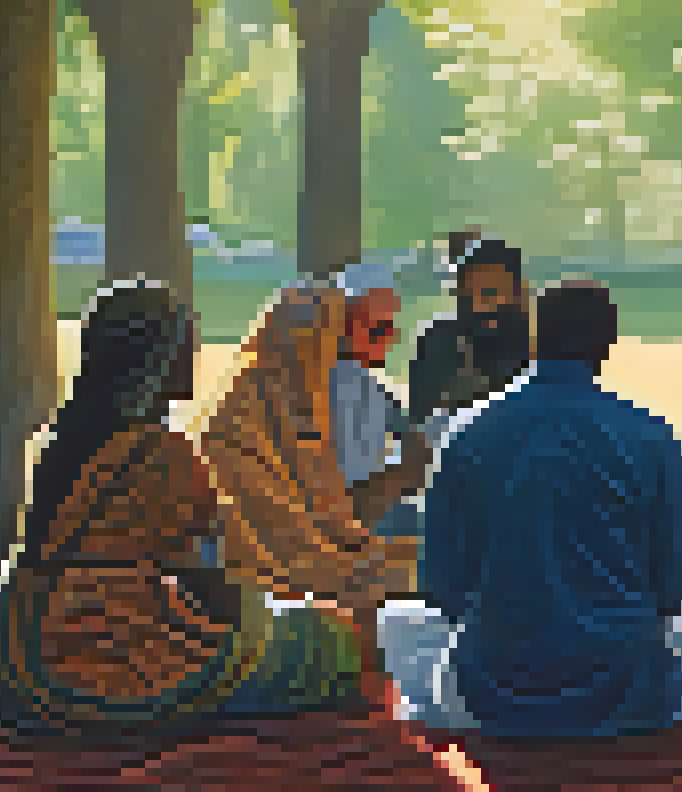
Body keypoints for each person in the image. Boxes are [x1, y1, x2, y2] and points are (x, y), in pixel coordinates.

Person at [0, 281, 365, 739]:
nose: (195, 358)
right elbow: (203, 580)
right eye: (187, 346)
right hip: (112, 658)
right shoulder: (165, 453)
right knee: (330, 642)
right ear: (157, 362)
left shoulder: (51, 443)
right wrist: (265, 620)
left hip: (15, 655)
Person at [378, 280, 682, 737]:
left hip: (483, 698)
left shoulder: (466, 433)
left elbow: (441, 592)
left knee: (396, 619)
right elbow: (674, 591)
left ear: (532, 341)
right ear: (609, 344)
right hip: (633, 696)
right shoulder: (652, 435)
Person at [198, 282, 416, 647]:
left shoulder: (304, 400)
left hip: (310, 557)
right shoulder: (239, 417)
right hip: (263, 578)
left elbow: (329, 510)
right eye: (333, 335)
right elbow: (275, 534)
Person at [329, 262, 435, 538]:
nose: (391, 338)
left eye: (392, 326)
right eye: (380, 328)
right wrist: (405, 471)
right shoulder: (344, 383)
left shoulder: (363, 381)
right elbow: (351, 508)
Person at [406, 238, 532, 432]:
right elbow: (420, 424)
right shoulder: (439, 342)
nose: (485, 302)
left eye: (494, 291)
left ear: (518, 293)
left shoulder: (536, 342)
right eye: (472, 293)